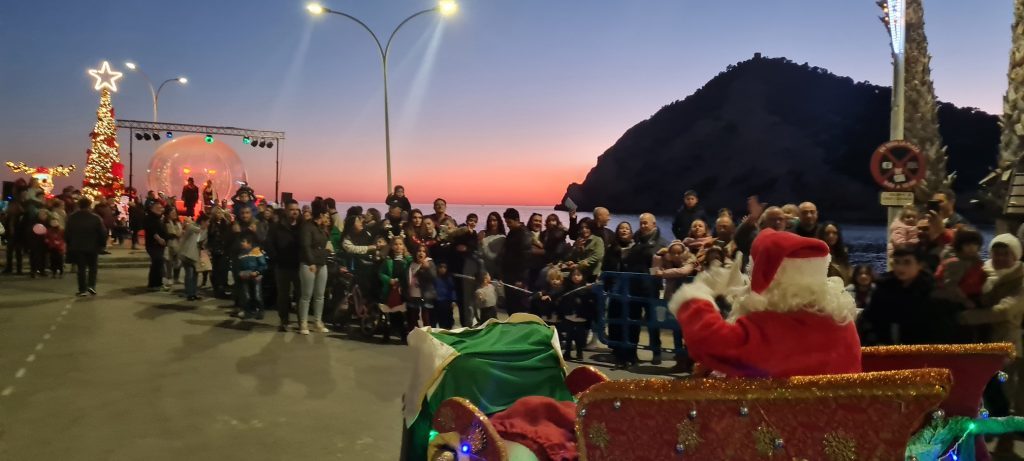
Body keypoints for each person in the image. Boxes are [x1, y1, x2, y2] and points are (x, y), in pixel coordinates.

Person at [671, 228, 861, 377]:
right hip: (841, 414)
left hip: (773, 415)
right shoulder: (842, 320)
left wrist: (700, 291)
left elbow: (708, 342)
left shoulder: (766, 328)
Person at [959, 234, 1024, 450]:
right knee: (985, 391)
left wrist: (967, 317)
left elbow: (1006, 310)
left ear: (1016, 256)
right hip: (981, 342)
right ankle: (988, 436)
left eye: (1006, 253)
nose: (1001, 257)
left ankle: (1005, 442)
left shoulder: (1020, 279)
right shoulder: (984, 273)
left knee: (1003, 393)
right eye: (997, 252)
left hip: (1006, 343)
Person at [865, 246, 963, 346]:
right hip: (885, 348)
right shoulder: (883, 289)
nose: (900, 268)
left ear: (920, 265)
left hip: (923, 349)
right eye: (897, 262)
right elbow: (871, 320)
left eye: (907, 262)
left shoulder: (933, 292)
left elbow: (943, 330)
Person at [653, 240, 698, 371]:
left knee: (690, 333)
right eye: (673, 253)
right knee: (676, 331)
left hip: (690, 300)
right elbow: (653, 271)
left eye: (679, 252)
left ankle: (692, 362)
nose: (677, 255)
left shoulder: (691, 259)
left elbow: (684, 271)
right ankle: (680, 360)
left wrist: (664, 273)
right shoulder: (666, 259)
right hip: (673, 300)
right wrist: (657, 255)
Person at [934, 228, 986, 311]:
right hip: (952, 300)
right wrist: (964, 301)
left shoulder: (975, 260)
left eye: (975, 244)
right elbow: (951, 285)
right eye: (967, 245)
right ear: (960, 246)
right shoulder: (956, 262)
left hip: (970, 295)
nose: (972, 247)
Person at [297, 211, 332, 335]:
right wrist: (312, 261)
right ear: (320, 215)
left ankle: (317, 321)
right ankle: (303, 322)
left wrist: (325, 253)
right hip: (309, 264)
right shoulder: (308, 227)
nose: (328, 219)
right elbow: (306, 247)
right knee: (306, 295)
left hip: (322, 263)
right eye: (326, 216)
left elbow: (327, 248)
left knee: (320, 295)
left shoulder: (323, 229)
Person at [65, 197, 106, 296]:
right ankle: (91, 285)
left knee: (81, 268)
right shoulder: (95, 218)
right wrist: (102, 245)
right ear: (89, 205)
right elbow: (102, 233)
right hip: (92, 246)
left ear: (79, 205)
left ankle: (82, 289)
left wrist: (69, 244)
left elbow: (67, 233)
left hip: (77, 246)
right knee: (93, 267)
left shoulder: (72, 218)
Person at [501, 208, 538, 315]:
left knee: (519, 305)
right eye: (506, 222)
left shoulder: (524, 234)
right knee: (511, 305)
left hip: (518, 276)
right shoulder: (512, 232)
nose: (507, 225)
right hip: (509, 274)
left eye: (509, 222)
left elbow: (525, 258)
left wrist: (520, 279)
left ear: (517, 220)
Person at [558, 268, 597, 361]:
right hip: (569, 317)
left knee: (580, 338)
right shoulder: (567, 288)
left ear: (583, 276)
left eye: (578, 275)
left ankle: (579, 353)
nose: (576, 277)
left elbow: (590, 304)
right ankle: (567, 353)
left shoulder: (586, 289)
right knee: (569, 337)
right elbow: (563, 301)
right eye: (574, 275)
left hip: (581, 318)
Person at [380, 238, 413, 342]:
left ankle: (404, 335)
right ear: (392, 246)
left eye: (400, 244)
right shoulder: (388, 261)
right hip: (390, 290)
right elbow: (381, 273)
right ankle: (386, 334)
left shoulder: (407, 261)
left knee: (402, 314)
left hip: (403, 290)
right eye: (395, 244)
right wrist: (388, 280)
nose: (398, 246)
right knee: (389, 313)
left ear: (404, 246)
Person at [234, 235, 268, 320]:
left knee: (257, 295)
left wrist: (257, 272)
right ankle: (248, 312)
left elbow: (263, 265)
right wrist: (239, 273)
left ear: (249, 243)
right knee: (246, 296)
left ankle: (260, 311)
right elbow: (237, 266)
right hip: (245, 276)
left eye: (243, 242)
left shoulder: (256, 251)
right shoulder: (240, 253)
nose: (241, 243)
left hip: (255, 276)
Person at [563, 218, 605, 282]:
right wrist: (576, 248)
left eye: (587, 228)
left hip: (592, 274)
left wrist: (579, 265)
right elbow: (571, 257)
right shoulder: (578, 240)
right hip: (578, 273)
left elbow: (597, 256)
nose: (584, 230)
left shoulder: (598, 240)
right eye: (581, 228)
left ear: (591, 228)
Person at [407, 247, 437, 332]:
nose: (421, 253)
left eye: (423, 251)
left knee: (425, 316)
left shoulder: (429, 263)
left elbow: (433, 277)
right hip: (413, 294)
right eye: (419, 251)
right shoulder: (412, 264)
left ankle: (427, 334)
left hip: (425, 294)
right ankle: (416, 334)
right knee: (413, 316)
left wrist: (426, 268)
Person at [178, 215, 206, 301]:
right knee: (190, 274)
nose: (208, 224)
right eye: (207, 222)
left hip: (195, 255)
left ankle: (193, 293)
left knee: (195, 274)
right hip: (187, 254)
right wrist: (199, 228)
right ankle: (190, 293)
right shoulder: (192, 227)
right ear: (202, 221)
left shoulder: (203, 231)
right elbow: (191, 228)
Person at [144, 201, 169, 291]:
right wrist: (158, 239)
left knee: (158, 263)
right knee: (157, 261)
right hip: (153, 244)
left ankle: (158, 283)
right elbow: (151, 230)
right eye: (158, 208)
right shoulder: (149, 218)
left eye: (161, 208)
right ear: (152, 209)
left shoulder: (160, 218)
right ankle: (153, 284)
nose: (160, 209)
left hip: (161, 245)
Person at [432, 262, 458, 329]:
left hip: (447, 301)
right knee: (441, 319)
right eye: (441, 267)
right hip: (438, 302)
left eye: (444, 267)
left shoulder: (449, 278)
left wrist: (453, 300)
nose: (442, 269)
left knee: (449, 319)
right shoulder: (435, 278)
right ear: (438, 268)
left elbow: (452, 289)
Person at [163, 207, 183, 289]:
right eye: (172, 213)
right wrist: (174, 235)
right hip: (169, 244)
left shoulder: (178, 222)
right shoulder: (165, 222)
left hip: (179, 244)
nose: (174, 214)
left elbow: (180, 232)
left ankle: (176, 278)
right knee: (169, 262)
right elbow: (166, 234)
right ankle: (169, 278)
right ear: (168, 214)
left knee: (178, 261)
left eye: (175, 213)